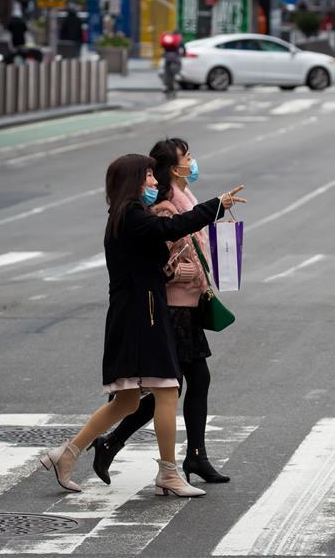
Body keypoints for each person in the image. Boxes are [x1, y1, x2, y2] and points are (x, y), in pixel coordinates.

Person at [40, 154, 246, 497]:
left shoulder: (126, 215)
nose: (154, 182)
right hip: (141, 316)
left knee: (127, 402)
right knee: (167, 390)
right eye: (149, 176)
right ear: (133, 180)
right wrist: (217, 205)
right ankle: (168, 472)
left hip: (136, 314)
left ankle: (67, 453)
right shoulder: (132, 216)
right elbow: (170, 227)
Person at [90, 138, 230, 486]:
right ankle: (173, 458)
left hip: (186, 302)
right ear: (173, 168)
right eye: (188, 157)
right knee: (170, 387)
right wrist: (187, 272)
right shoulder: (165, 208)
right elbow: (165, 252)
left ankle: (120, 445)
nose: (193, 162)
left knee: (173, 387)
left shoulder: (182, 199)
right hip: (172, 305)